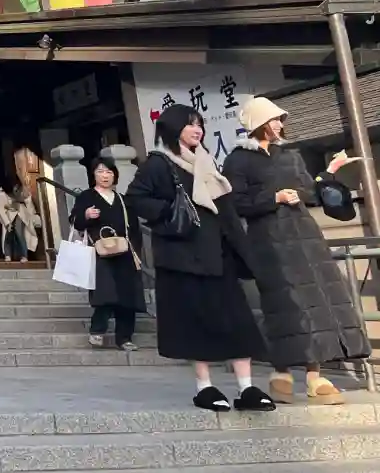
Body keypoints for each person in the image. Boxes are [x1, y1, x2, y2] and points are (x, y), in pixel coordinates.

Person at [126, 103, 275, 413]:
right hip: (184, 257)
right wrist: (170, 213)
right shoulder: (158, 163)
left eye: (199, 124)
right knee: (196, 323)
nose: (198, 130)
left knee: (238, 320)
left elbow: (225, 209)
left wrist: (242, 249)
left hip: (219, 254)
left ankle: (247, 387)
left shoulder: (207, 162)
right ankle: (204, 387)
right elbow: (136, 198)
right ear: (173, 128)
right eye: (190, 124)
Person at [222, 96, 369, 405]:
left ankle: (315, 376)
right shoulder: (237, 160)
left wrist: (328, 173)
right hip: (268, 240)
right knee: (284, 305)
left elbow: (310, 191)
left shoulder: (290, 154)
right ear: (259, 123)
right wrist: (272, 198)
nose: (280, 124)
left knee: (317, 301)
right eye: (274, 119)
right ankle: (282, 374)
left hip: (305, 235)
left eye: (280, 119)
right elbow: (236, 203)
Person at [69, 158, 145, 350]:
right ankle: (98, 329)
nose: (105, 176)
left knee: (127, 296)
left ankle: (125, 337)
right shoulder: (87, 197)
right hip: (99, 252)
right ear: (93, 175)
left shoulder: (122, 199)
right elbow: (76, 222)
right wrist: (86, 215)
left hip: (124, 252)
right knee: (105, 292)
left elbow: (134, 228)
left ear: (115, 175)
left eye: (109, 172)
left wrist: (135, 249)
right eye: (100, 171)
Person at [0, 181, 41, 263]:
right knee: (8, 233)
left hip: (21, 212)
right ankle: (8, 254)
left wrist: (33, 215)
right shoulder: (1, 192)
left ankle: (24, 255)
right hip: (8, 214)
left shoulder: (23, 190)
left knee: (19, 231)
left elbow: (29, 205)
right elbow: (0, 209)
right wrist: (7, 223)